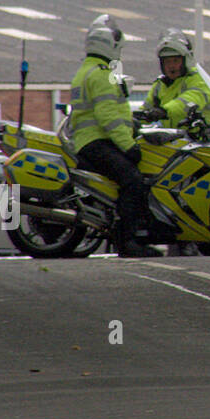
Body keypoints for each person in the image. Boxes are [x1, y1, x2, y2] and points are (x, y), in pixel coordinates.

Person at [70, 14, 157, 257]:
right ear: (109, 45)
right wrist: (129, 146)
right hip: (97, 142)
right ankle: (127, 241)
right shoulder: (101, 74)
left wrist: (133, 126)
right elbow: (108, 116)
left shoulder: (85, 71)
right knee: (133, 180)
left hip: (87, 141)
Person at [138, 30, 210, 133]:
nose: (171, 66)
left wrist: (163, 111)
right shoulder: (160, 85)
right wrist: (133, 119)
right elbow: (145, 109)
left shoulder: (198, 79)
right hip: (176, 141)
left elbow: (189, 100)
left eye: (175, 61)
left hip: (203, 140)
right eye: (167, 62)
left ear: (186, 61)